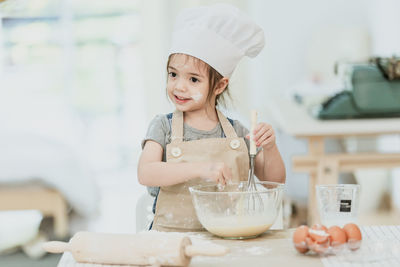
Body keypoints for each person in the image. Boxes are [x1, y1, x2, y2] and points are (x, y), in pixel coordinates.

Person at [137, 3, 285, 232]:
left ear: (219, 85)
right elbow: (146, 173)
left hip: (227, 237)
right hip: (170, 239)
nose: (179, 86)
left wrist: (271, 147)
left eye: (193, 79)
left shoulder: (237, 132)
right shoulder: (163, 126)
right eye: (173, 74)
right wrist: (200, 168)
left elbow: (271, 181)